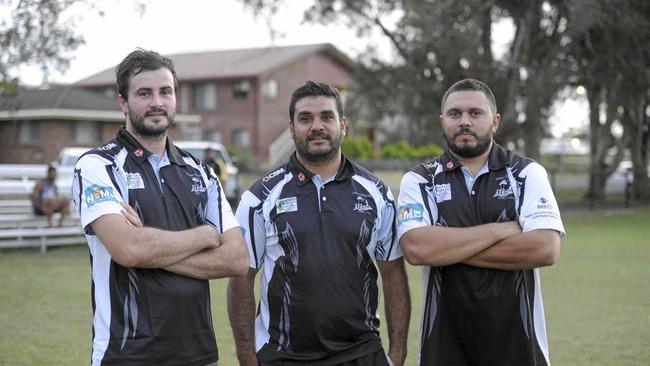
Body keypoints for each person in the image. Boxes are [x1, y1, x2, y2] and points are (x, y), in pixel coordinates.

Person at [71, 48, 248, 366]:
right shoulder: (99, 165)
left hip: (199, 354)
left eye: (165, 92)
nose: (157, 102)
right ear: (123, 102)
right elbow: (128, 250)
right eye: (144, 93)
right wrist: (207, 235)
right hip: (126, 354)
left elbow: (236, 259)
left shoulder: (201, 171)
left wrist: (150, 249)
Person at [228, 81, 410, 366]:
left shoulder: (376, 192)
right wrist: (247, 356)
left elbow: (393, 272)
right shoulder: (260, 196)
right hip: (283, 354)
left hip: (361, 352)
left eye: (327, 116)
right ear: (291, 128)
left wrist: (397, 352)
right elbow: (241, 278)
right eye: (305, 118)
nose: (317, 126)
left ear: (343, 125)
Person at [397, 78, 565, 366]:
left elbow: (545, 249)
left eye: (475, 113)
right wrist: (503, 229)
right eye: (454, 114)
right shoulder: (420, 179)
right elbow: (417, 250)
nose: (464, 121)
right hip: (443, 349)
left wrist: (448, 248)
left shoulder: (527, 173)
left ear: (495, 121)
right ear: (442, 121)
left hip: (520, 349)